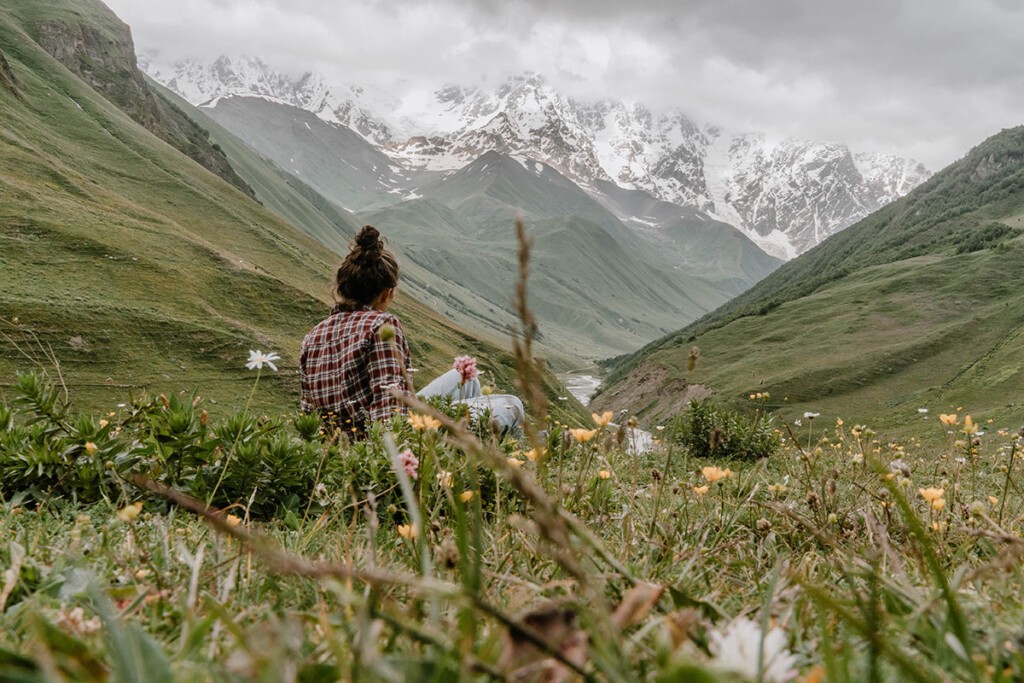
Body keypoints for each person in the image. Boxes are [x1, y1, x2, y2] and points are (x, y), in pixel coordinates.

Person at [300, 225, 524, 436]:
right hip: (379, 439)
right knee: (512, 405)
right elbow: (388, 403)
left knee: (464, 375)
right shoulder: (381, 325)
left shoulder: (313, 336)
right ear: (387, 293)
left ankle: (467, 457)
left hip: (340, 438)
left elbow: (308, 412)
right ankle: (503, 465)